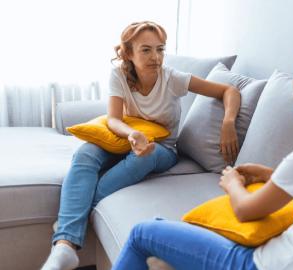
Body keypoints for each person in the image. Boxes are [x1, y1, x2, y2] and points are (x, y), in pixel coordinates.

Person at [112, 31, 293, 270]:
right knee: (166, 246)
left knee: (143, 233)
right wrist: (270, 174)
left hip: (257, 265)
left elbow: (246, 210)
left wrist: (232, 182)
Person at [41, 21, 241, 270]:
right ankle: (64, 249)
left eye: (160, 49)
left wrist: (228, 123)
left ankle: (69, 226)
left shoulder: (172, 79)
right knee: (85, 154)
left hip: (163, 149)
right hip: (127, 139)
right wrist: (133, 134)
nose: (156, 57)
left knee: (143, 157)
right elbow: (113, 119)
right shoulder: (119, 75)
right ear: (128, 53)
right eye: (146, 50)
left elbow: (229, 91)